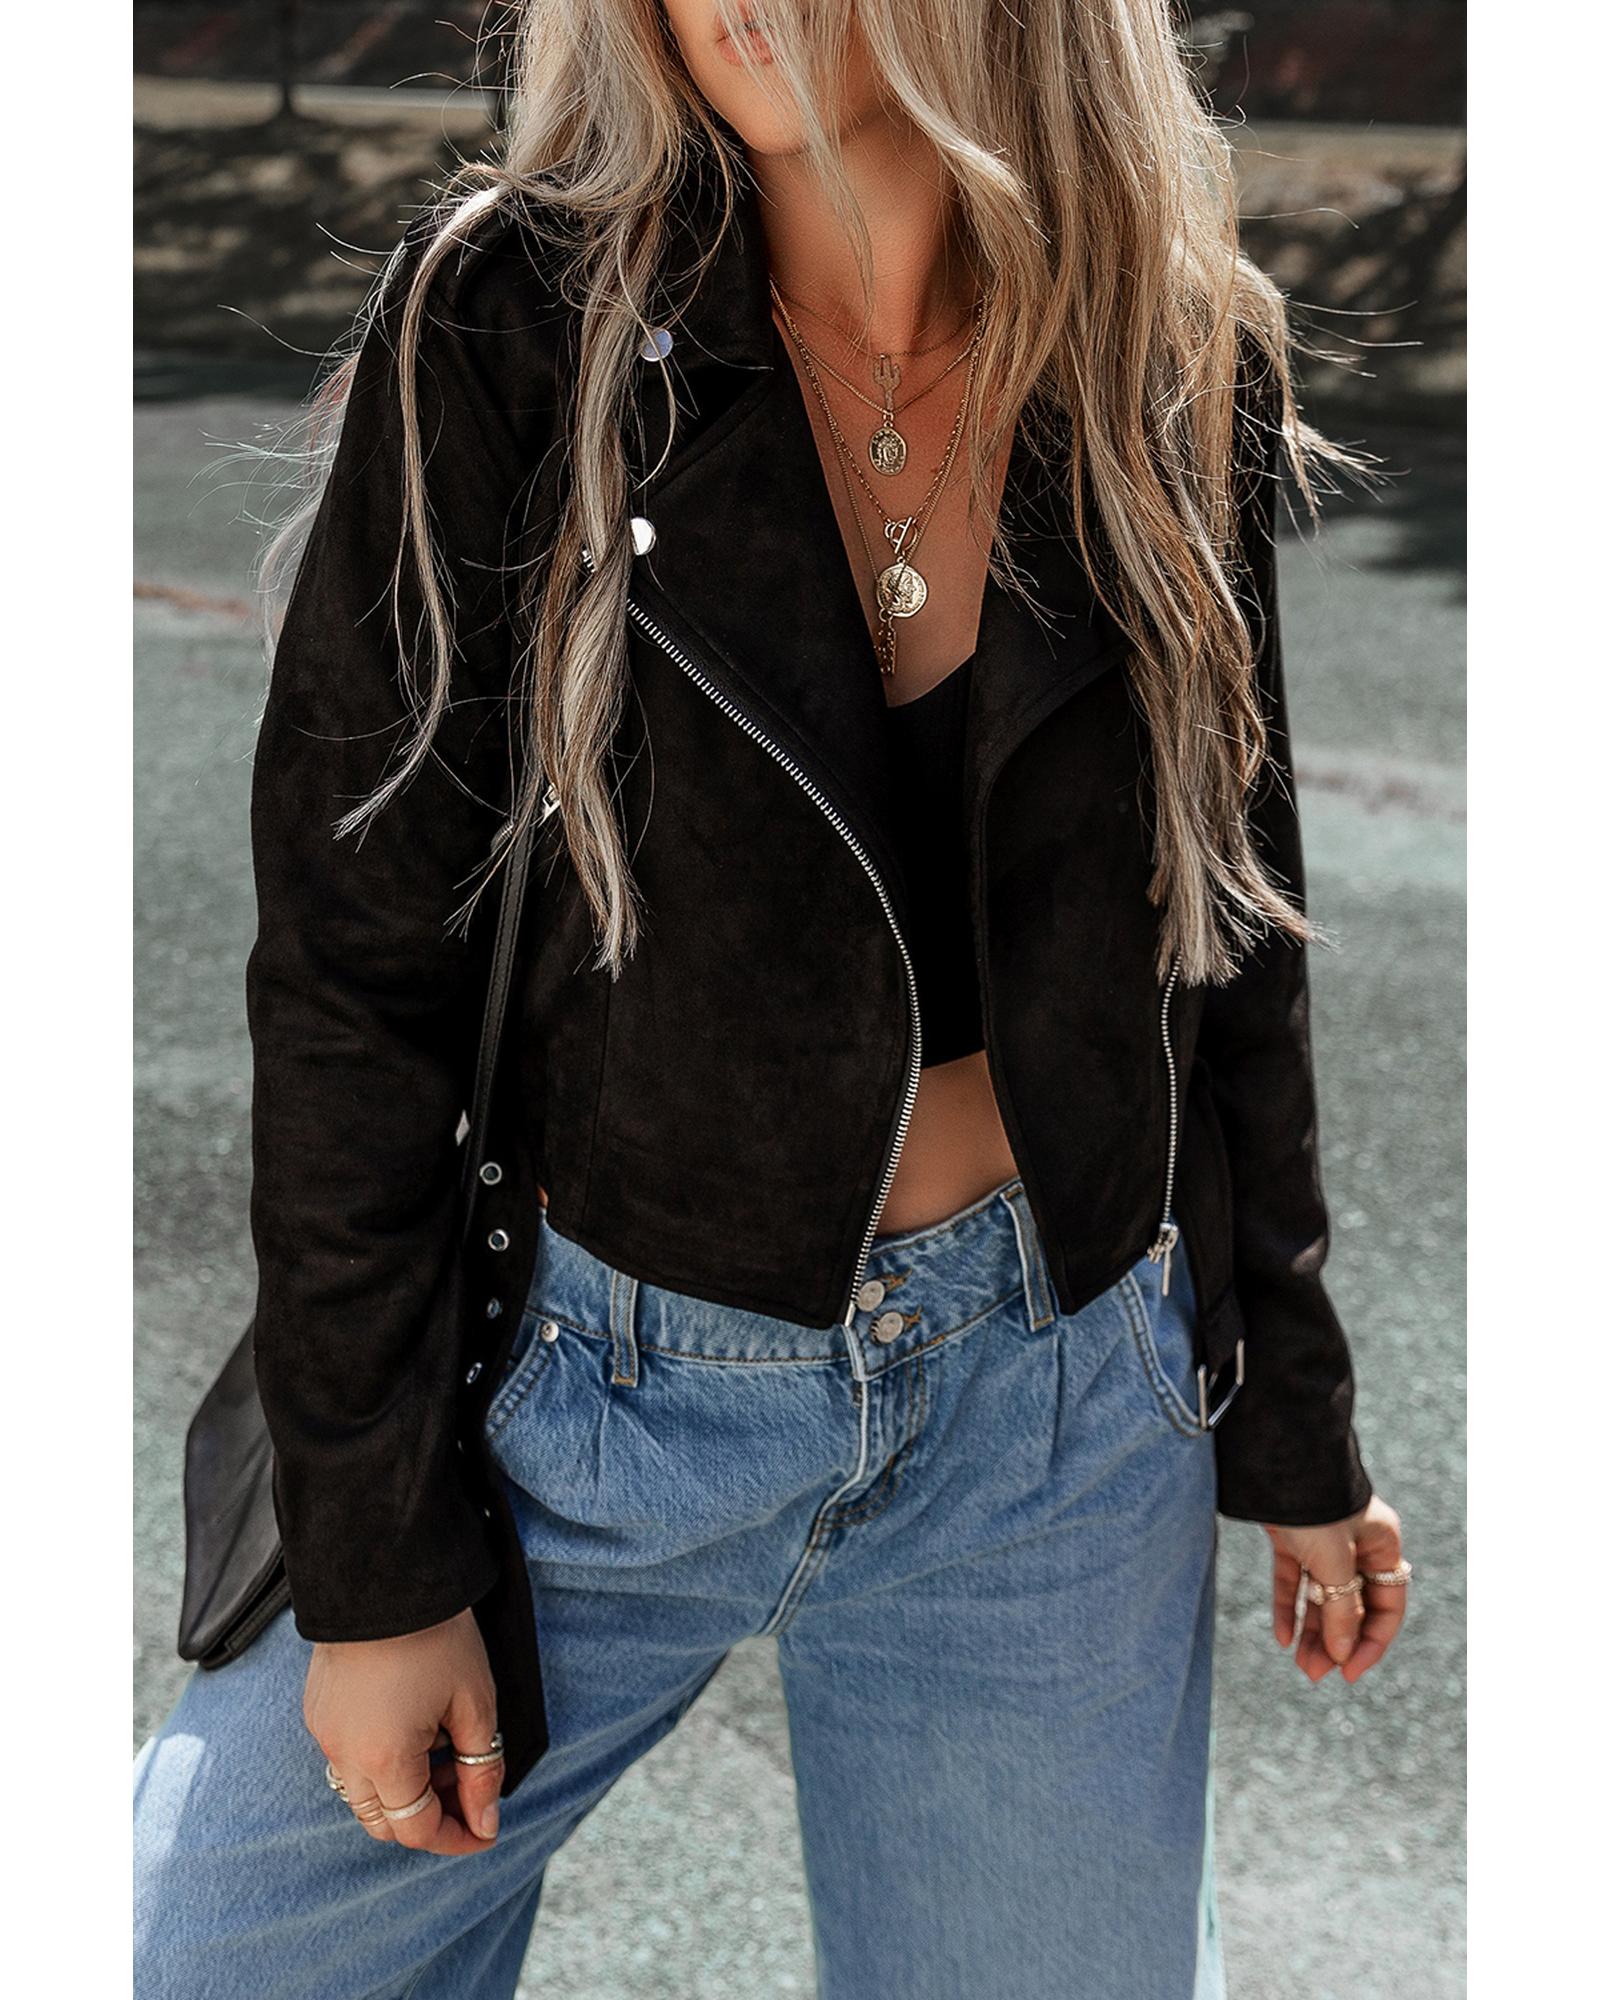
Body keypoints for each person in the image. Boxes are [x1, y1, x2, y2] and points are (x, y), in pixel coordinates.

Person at [133, 4, 1410, 1995]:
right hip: (593, 1394)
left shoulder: (1169, 352)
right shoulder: (513, 324)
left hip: (1058, 1415)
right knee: (189, 1953)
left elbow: (1226, 913)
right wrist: (379, 1567)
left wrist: (1296, 1418)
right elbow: (352, 978)